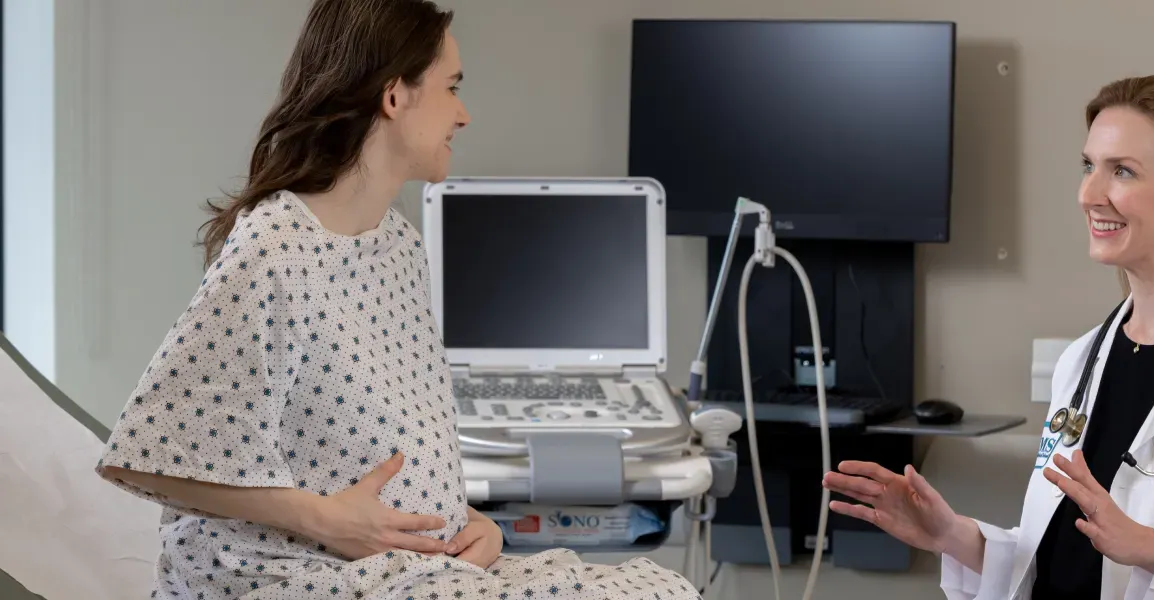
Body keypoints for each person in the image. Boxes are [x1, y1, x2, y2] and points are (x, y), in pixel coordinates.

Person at [94, 1, 700, 598]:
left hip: (408, 564)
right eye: (451, 87)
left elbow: (368, 449)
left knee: (663, 588)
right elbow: (144, 457)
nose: (463, 114)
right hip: (293, 572)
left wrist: (467, 523)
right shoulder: (277, 248)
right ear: (394, 96)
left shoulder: (396, 245)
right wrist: (326, 520)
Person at [823, 74, 1154, 599]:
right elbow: (1053, 556)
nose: (1089, 194)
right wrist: (951, 535)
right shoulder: (1082, 361)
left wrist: (1151, 548)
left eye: (1123, 172)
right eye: (1089, 166)